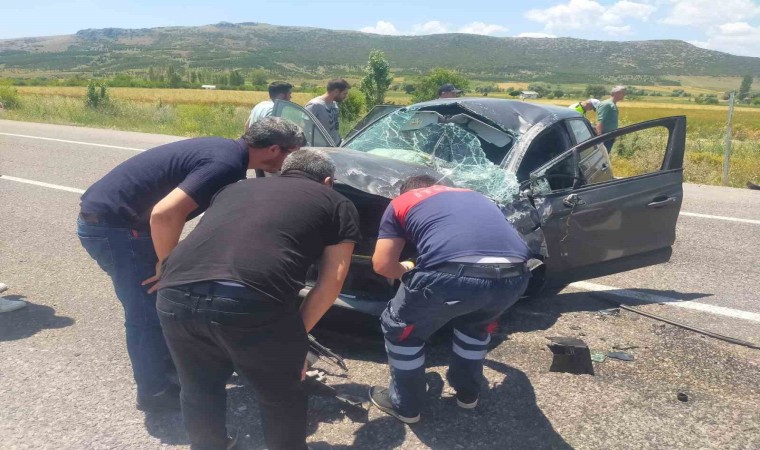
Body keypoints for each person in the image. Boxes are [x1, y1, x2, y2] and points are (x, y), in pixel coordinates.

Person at [77, 118, 305, 412]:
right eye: (292, 154)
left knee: (158, 300)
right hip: (116, 229)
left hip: (119, 223)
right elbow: (163, 214)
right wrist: (167, 264)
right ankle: (154, 392)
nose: (291, 163)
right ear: (274, 149)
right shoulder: (225, 164)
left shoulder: (227, 152)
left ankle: (166, 367)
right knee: (145, 311)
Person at [157, 149, 360, 450]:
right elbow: (333, 280)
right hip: (251, 301)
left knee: (199, 385)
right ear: (328, 181)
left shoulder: (235, 188)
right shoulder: (337, 202)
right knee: (282, 395)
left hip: (174, 293)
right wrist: (295, 337)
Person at [368, 175, 532, 424]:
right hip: (515, 277)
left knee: (402, 331)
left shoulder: (402, 201)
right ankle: (468, 394)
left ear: (405, 191)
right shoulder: (476, 195)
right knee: (474, 328)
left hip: (451, 276)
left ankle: (406, 406)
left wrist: (407, 270)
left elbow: (381, 265)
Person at [305, 78, 350, 145]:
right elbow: (305, 128)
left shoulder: (334, 103)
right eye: (344, 93)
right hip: (321, 149)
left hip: (336, 145)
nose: (346, 96)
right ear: (336, 91)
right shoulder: (314, 105)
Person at [596, 86, 627, 152]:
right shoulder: (607, 104)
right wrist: (599, 138)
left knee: (606, 154)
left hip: (610, 136)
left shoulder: (612, 104)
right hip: (605, 136)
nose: (624, 95)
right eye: (623, 93)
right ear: (617, 93)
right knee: (603, 156)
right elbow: (600, 120)